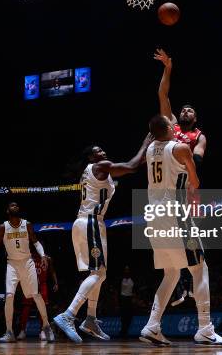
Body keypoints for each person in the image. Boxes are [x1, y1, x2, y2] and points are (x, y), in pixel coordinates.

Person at [140, 114, 222, 346]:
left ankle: (152, 326)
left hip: (154, 216)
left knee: (171, 273)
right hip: (176, 216)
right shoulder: (181, 148)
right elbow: (195, 181)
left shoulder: (150, 149)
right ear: (169, 128)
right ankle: (205, 329)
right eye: (172, 124)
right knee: (200, 269)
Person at [53, 134, 152, 343]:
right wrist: (146, 141)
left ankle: (90, 319)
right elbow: (132, 165)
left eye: (103, 150)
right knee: (98, 273)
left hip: (88, 223)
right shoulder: (101, 166)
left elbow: (134, 163)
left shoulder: (96, 170)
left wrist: (152, 150)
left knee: (100, 273)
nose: (103, 152)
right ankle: (68, 315)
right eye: (98, 151)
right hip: (90, 223)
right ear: (91, 157)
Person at [154, 48, 207, 300]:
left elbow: (196, 160)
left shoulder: (198, 136)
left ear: (195, 118)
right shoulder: (170, 128)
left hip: (186, 190)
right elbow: (163, 94)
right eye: (183, 110)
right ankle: (184, 285)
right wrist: (168, 68)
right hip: (167, 193)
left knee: (190, 243)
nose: (185, 111)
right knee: (182, 247)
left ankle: (186, 284)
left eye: (190, 111)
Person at [0, 202, 55, 343]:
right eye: (12, 205)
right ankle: (9, 332)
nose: (15, 205)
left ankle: (47, 326)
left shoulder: (27, 224)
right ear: (7, 211)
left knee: (36, 294)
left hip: (27, 262)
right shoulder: (3, 227)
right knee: (10, 296)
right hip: (12, 264)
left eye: (17, 205)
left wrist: (42, 255)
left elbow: (35, 242)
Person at [17, 246, 58, 341]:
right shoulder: (28, 257)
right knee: (26, 307)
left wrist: (55, 282)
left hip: (42, 285)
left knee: (42, 308)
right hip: (29, 283)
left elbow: (52, 271)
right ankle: (22, 331)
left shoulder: (47, 258)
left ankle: (42, 331)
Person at [119, 265, 135, 337]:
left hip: (129, 299)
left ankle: (126, 331)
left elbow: (135, 289)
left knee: (129, 316)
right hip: (123, 299)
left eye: (128, 269)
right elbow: (118, 290)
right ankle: (123, 331)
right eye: (125, 269)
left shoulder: (133, 279)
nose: (127, 271)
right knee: (123, 316)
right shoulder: (121, 279)